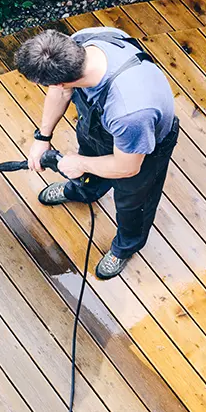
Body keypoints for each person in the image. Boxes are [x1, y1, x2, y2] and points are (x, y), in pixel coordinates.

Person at [13, 27, 179, 279]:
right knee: (88, 167)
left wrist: (79, 163)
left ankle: (125, 247)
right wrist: (42, 138)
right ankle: (84, 191)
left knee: (133, 205)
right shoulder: (82, 42)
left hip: (141, 152)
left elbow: (127, 167)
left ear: (59, 78)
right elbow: (61, 91)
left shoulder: (130, 111)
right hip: (98, 129)